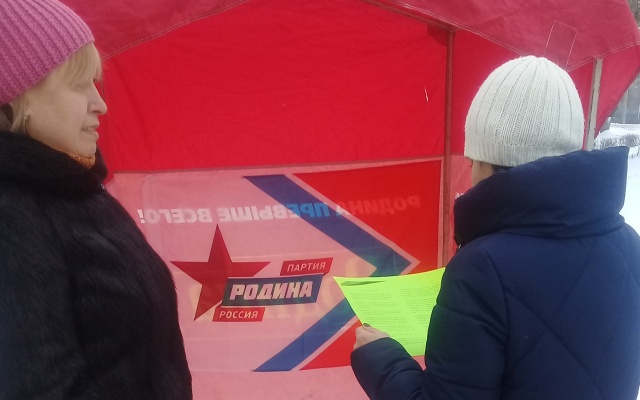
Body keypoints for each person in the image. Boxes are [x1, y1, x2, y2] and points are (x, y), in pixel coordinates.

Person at [351, 56, 640, 399]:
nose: (470, 175)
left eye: (472, 161)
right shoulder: (630, 244)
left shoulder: (483, 268)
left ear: (489, 162)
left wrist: (380, 358)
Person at [0, 0, 192, 398]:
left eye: (95, 82)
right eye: (78, 84)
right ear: (15, 97)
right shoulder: (13, 213)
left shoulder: (70, 189)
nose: (100, 104)